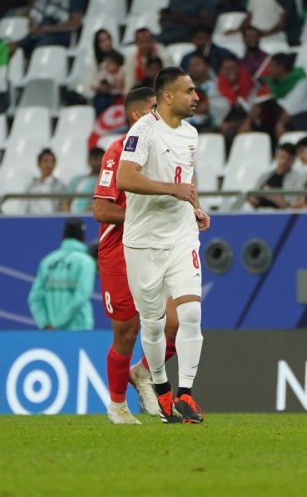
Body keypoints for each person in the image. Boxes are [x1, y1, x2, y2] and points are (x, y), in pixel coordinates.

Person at [116, 67, 211, 424]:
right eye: (189, 91)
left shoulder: (191, 134)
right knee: (152, 324)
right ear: (168, 96)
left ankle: (185, 395)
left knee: (191, 314)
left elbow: (185, 177)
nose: (196, 96)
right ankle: (161, 389)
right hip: (143, 241)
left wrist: (195, 206)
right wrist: (173, 190)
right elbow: (126, 178)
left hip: (181, 235)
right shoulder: (143, 131)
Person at [93, 87, 182, 425]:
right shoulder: (117, 152)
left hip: (159, 247)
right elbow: (101, 210)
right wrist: (144, 218)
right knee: (127, 331)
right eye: (153, 110)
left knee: (177, 323)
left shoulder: (169, 150)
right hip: (120, 250)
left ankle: (142, 374)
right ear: (136, 117)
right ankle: (117, 405)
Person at [27, 218, 96, 331]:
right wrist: (57, 324)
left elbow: (34, 298)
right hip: (80, 331)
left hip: (51, 333)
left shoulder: (47, 261)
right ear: (83, 237)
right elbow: (81, 297)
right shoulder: (86, 261)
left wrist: (46, 324)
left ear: (63, 236)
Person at [248, 143, 304, 209]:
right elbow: (253, 197)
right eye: (282, 157)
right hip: (260, 211)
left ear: (293, 161)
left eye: (288, 159)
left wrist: (271, 194)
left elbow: (288, 206)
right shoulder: (265, 176)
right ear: (277, 156)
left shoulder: (296, 179)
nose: (284, 162)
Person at [124, 28, 171, 93]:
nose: (145, 46)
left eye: (148, 42)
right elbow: (129, 84)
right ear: (137, 43)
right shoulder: (131, 59)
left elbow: (170, 80)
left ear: (153, 41)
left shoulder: (164, 55)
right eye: (142, 42)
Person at [21, 148, 67, 214]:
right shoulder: (30, 186)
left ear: (55, 165)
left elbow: (64, 210)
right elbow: (23, 208)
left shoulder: (61, 186)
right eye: (45, 161)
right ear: (38, 164)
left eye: (51, 162)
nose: (48, 165)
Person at [65, 147, 105, 213]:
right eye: (95, 158)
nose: (98, 162)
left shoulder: (108, 182)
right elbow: (66, 202)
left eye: (101, 158)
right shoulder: (77, 180)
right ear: (88, 160)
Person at [91, 51, 125, 116]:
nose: (108, 64)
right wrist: (101, 87)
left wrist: (112, 85)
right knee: (100, 101)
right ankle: (99, 117)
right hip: (103, 95)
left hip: (115, 97)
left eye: (111, 62)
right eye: (107, 62)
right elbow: (94, 84)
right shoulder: (104, 72)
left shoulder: (120, 74)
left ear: (118, 65)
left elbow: (120, 88)